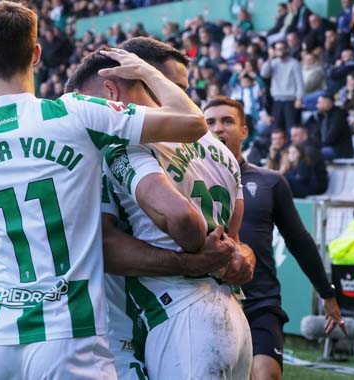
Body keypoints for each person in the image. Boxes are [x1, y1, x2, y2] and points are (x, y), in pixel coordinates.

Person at [0, 3, 206, 379]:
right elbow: (193, 124)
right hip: (70, 336)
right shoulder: (76, 112)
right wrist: (145, 70)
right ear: (36, 54)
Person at [65, 37, 255, 380]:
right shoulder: (221, 150)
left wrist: (199, 255)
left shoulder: (127, 142)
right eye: (172, 86)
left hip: (172, 315)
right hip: (228, 313)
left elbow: (113, 244)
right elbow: (232, 241)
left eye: (180, 88)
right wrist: (232, 256)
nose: (181, 99)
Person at [204, 96, 344, 380]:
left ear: (244, 131)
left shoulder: (270, 181)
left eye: (227, 121)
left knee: (265, 376)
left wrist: (327, 293)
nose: (219, 128)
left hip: (260, 303)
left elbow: (299, 240)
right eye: (211, 122)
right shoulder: (184, 179)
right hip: (206, 300)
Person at [260, 40, 304, 134]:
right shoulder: (273, 63)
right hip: (277, 100)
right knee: (277, 129)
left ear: (287, 49)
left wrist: (299, 98)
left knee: (290, 128)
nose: (279, 51)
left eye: (281, 49)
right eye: (277, 49)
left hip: (290, 100)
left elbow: (299, 83)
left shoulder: (294, 63)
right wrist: (270, 58)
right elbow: (264, 74)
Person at [316, 93, 353, 161]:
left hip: (340, 150)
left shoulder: (338, 116)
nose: (317, 105)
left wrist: (318, 146)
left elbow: (332, 136)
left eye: (320, 103)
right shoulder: (322, 116)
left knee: (316, 154)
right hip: (328, 148)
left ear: (328, 103)